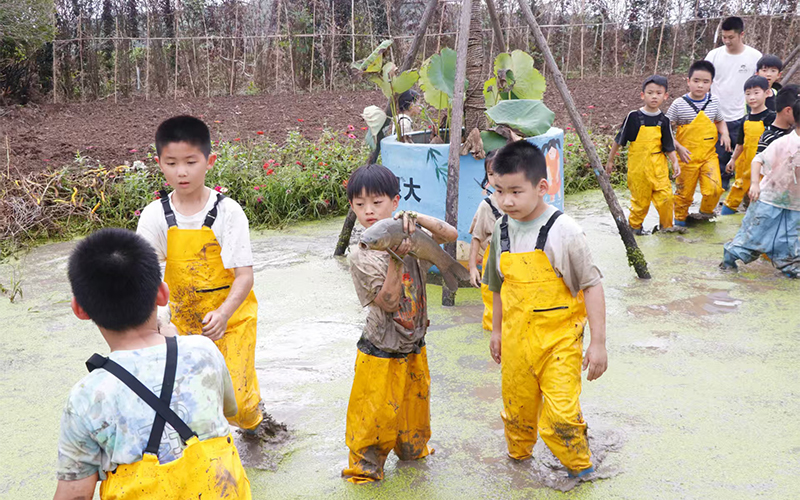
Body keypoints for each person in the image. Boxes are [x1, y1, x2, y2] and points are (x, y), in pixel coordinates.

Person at [54, 228, 251, 500]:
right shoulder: (203, 352)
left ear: (80, 309)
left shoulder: (87, 396)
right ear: (162, 294)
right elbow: (230, 409)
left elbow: (75, 495)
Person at [137, 115, 273, 438]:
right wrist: (159, 323)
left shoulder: (227, 213)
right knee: (190, 404)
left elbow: (244, 276)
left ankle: (257, 428)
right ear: (159, 163)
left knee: (238, 403)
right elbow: (146, 278)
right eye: (171, 163)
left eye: (190, 162)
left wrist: (224, 314)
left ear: (209, 161)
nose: (181, 172)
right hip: (181, 323)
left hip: (232, 318)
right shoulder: (155, 216)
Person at [482, 141, 607, 479]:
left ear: (541, 187)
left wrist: (598, 344)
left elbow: (592, 285)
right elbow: (496, 284)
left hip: (559, 342)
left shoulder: (565, 232)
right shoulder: (500, 229)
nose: (506, 201)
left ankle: (582, 472)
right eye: (499, 191)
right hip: (516, 342)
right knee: (517, 415)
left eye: (516, 192)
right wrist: (496, 331)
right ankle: (519, 469)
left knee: (562, 417)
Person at [342, 164, 459, 484]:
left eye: (376, 202)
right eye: (359, 203)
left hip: (414, 346)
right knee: (368, 448)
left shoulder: (406, 228)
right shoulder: (362, 254)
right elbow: (390, 302)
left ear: (394, 202)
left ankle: (411, 454)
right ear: (351, 206)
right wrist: (396, 257)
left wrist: (416, 219)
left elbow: (450, 235)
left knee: (413, 444)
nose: (368, 210)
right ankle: (366, 471)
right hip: (380, 352)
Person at [721, 99, 800, 278]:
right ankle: (729, 260)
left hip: (795, 205)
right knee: (754, 235)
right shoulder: (784, 142)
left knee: (788, 240)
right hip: (769, 199)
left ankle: (790, 270)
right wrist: (755, 184)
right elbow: (758, 159)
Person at [606, 75, 681, 234]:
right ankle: (635, 230)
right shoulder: (633, 117)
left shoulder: (664, 121)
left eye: (659, 93)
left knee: (667, 199)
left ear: (665, 96)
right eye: (650, 92)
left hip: (659, 170)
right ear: (643, 95)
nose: (654, 96)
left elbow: (669, 145)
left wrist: (675, 162)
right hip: (638, 171)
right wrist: (610, 161)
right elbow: (619, 140)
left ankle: (666, 230)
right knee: (640, 203)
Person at [666, 60, 729, 225]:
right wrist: (677, 147)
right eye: (696, 81)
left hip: (708, 156)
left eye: (705, 82)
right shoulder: (678, 105)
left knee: (714, 189)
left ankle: (705, 215)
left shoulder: (714, 102)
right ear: (688, 81)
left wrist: (725, 134)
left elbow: (720, 120)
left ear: (711, 83)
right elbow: (665, 129)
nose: (700, 85)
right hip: (686, 157)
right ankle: (679, 220)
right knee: (684, 193)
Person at [705, 16, 762, 190]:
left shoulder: (755, 57)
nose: (727, 41)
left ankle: (740, 197)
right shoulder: (714, 56)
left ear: (741, 34)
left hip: (743, 116)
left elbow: (760, 85)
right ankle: (717, 196)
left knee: (741, 160)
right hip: (717, 116)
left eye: (731, 37)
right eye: (724, 37)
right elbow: (705, 83)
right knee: (718, 159)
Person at [722, 76, 776, 215]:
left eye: (756, 93)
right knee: (735, 192)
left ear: (767, 93)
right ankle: (725, 215)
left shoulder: (772, 117)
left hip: (765, 168)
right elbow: (740, 143)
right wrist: (733, 159)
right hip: (745, 167)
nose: (752, 97)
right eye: (748, 94)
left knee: (761, 197)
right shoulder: (745, 119)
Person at [469, 150, 504, 331]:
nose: (495, 178)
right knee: (491, 300)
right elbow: (477, 236)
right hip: (492, 258)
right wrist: (473, 267)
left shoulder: (520, 201)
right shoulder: (487, 206)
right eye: (490, 174)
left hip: (516, 257)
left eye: (500, 172)